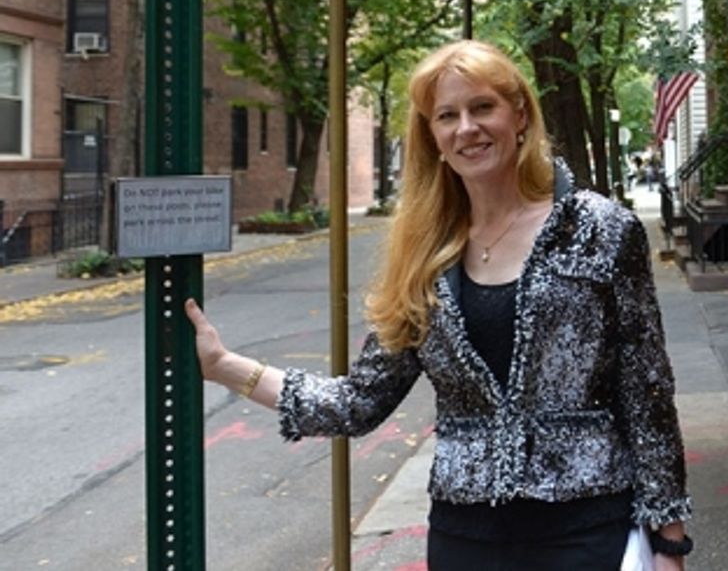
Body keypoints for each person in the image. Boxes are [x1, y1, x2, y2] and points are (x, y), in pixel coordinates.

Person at [186, 38, 692, 570]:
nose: (466, 128)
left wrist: (669, 542)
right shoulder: (424, 253)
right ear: (433, 136)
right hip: (465, 537)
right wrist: (224, 367)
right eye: (447, 116)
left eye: (482, 107)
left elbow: (646, 390)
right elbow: (359, 400)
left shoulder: (600, 229)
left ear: (519, 114)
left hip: (587, 526)